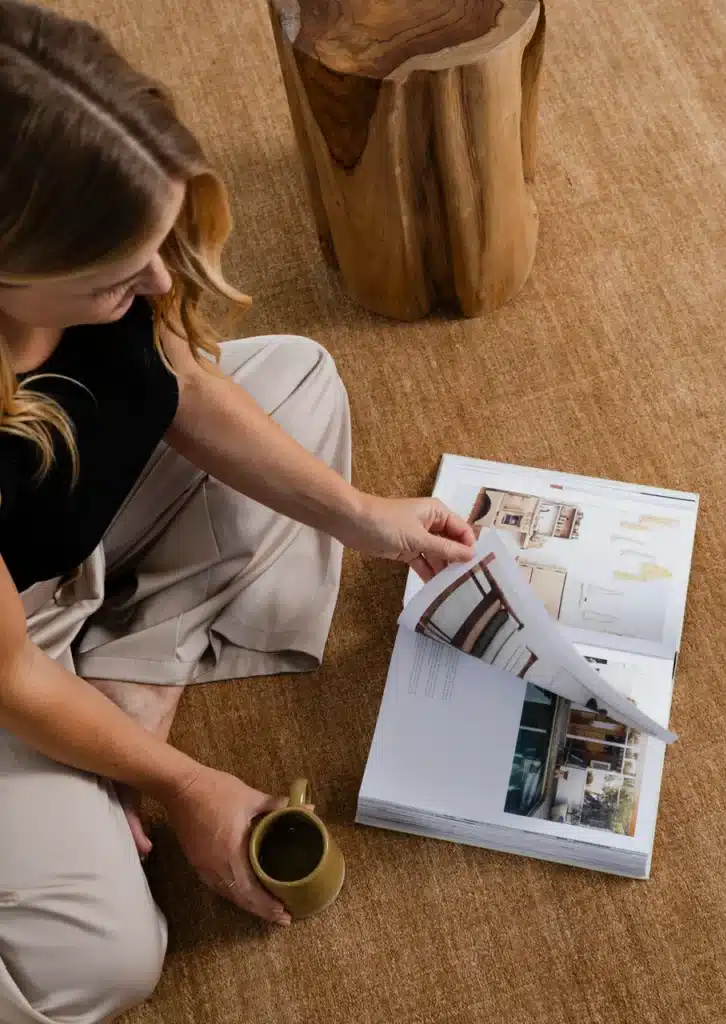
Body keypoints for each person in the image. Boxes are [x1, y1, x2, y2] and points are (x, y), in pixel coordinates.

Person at [0, 3, 476, 1021]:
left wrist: (362, 517)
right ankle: (112, 726)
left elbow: (169, 379)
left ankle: (127, 697)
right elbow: (10, 673)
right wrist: (186, 783)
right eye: (119, 273)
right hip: (8, 644)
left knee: (301, 379)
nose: (164, 279)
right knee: (104, 958)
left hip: (59, 529)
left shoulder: (115, 276)